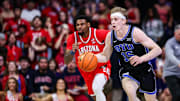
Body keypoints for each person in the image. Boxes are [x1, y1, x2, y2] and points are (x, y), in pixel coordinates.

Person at [95, 7, 162, 101]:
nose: (112, 22)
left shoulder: (135, 32)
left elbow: (158, 49)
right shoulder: (110, 36)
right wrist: (92, 57)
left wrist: (141, 59)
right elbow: (105, 56)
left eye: (116, 19)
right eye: (111, 20)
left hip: (144, 70)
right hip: (127, 70)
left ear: (123, 20)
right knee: (131, 93)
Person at [64, 15, 111, 101]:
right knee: (95, 95)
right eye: (77, 25)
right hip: (86, 71)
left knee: (97, 87)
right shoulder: (72, 38)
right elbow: (67, 61)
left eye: (82, 24)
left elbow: (112, 35)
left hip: (101, 67)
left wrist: (108, 48)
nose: (79, 27)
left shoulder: (97, 33)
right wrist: (72, 52)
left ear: (88, 24)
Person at [163, 24, 180, 101]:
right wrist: (178, 63)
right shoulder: (169, 43)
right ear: (174, 34)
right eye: (179, 34)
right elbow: (170, 56)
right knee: (177, 95)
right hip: (171, 73)